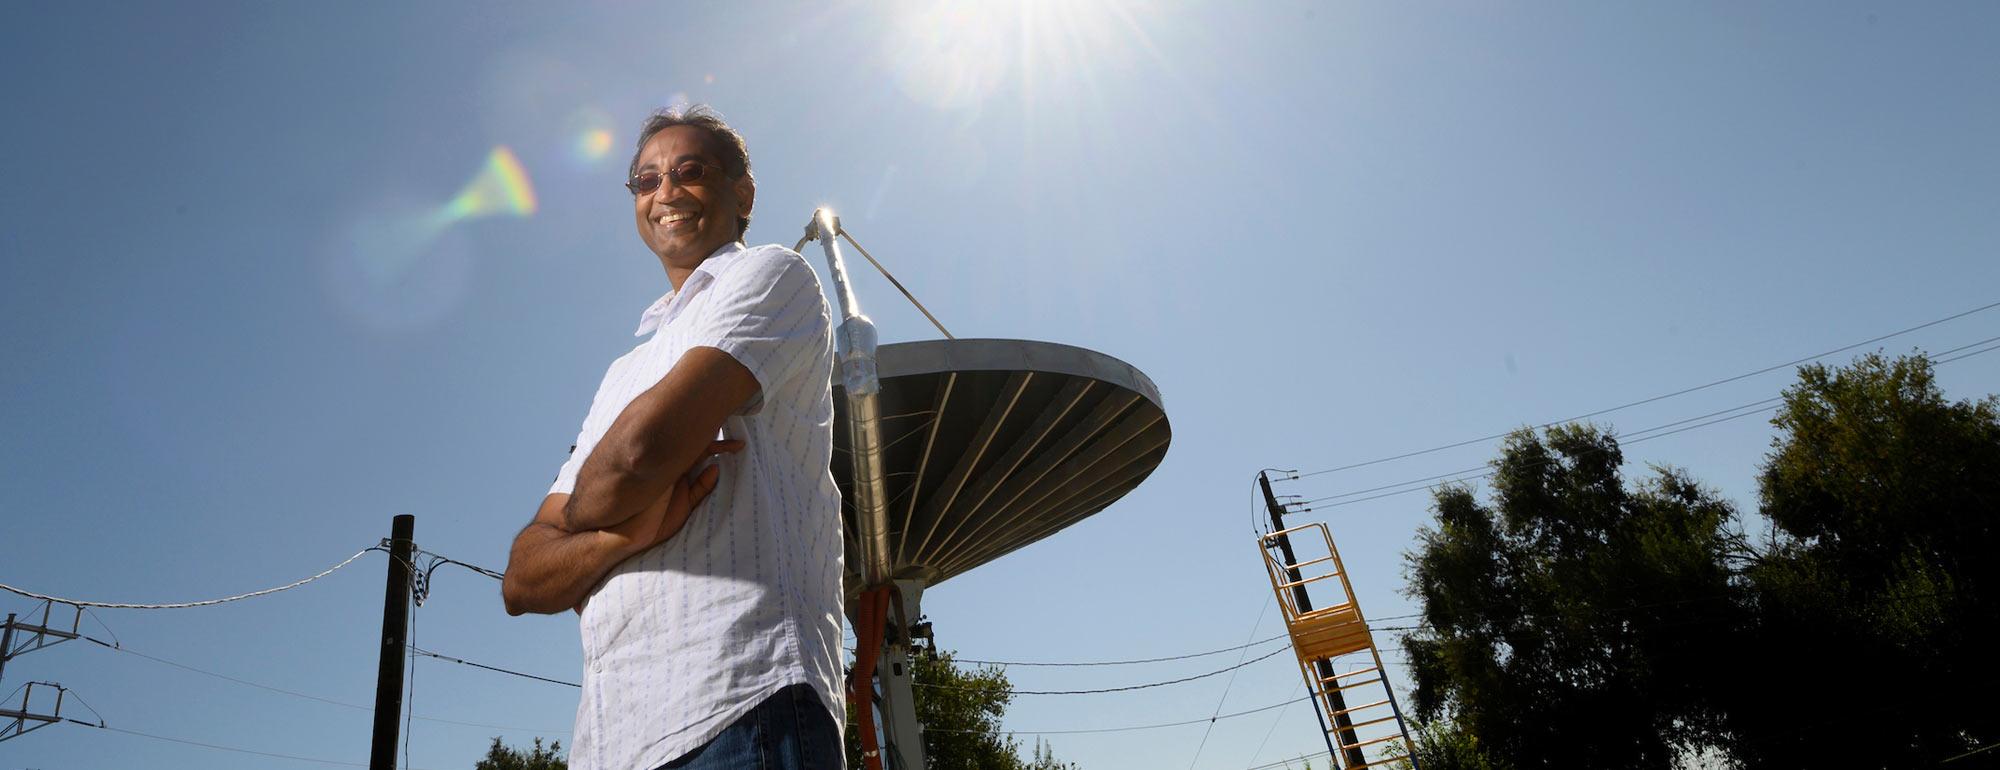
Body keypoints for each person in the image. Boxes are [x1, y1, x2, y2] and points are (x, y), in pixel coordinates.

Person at [500, 104, 845, 770]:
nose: (666, 193)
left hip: (743, 706)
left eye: (690, 172)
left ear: (741, 193)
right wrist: (625, 534)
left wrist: (596, 512)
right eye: (646, 180)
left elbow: (636, 455)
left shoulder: (771, 276)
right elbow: (522, 581)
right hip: (610, 744)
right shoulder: (622, 373)